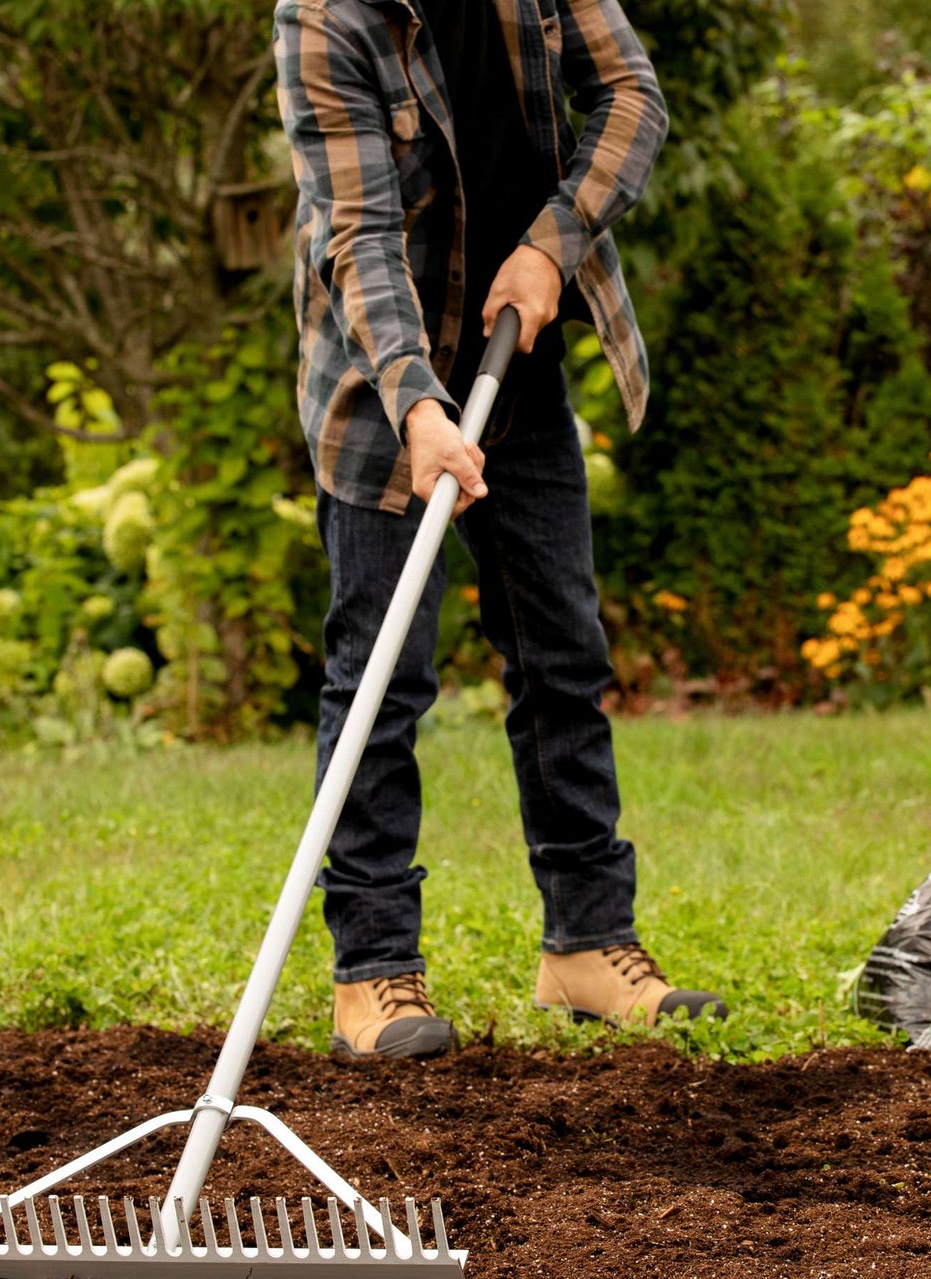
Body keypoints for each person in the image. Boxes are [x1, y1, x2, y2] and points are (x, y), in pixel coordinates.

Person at [272, 0, 728, 1060]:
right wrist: (420, 408)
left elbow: (630, 96)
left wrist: (549, 244)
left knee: (561, 655)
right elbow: (358, 235)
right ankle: (372, 973)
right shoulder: (323, 18)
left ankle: (584, 942)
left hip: (517, 360)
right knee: (381, 675)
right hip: (383, 388)